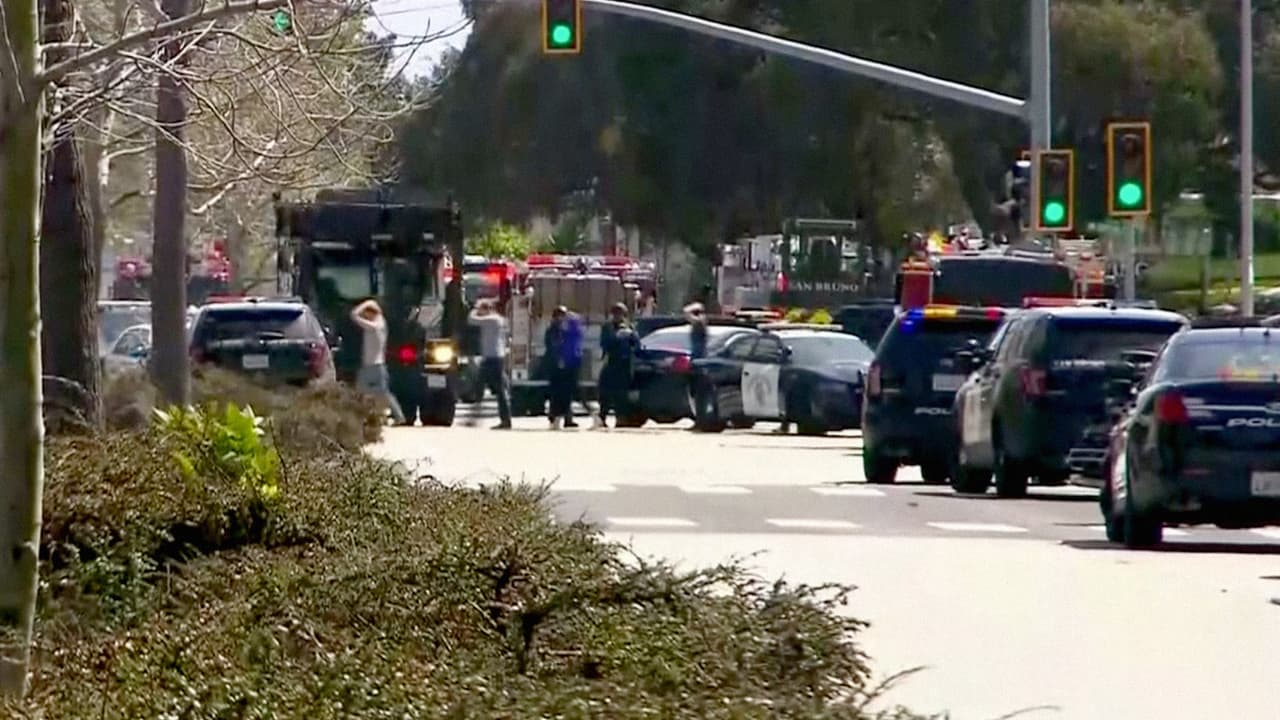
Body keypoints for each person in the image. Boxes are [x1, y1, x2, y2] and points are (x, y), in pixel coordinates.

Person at [350, 298, 406, 425]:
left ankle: (359, 418)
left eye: (366, 314)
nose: (364, 317)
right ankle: (396, 416)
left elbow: (353, 315)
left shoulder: (374, 326)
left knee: (364, 393)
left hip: (373, 366)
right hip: (376, 366)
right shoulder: (381, 324)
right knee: (380, 393)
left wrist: (367, 303)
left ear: (372, 313)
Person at [468, 299, 512, 429]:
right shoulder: (499, 320)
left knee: (497, 390)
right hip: (493, 357)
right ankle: (475, 418)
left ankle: (505, 420)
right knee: (481, 387)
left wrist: (474, 309)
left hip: (492, 359)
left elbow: (471, 320)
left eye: (481, 309)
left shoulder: (491, 319)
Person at [595, 302, 638, 429]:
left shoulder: (629, 327)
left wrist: (630, 335)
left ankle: (621, 418)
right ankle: (602, 417)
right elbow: (604, 344)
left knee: (622, 394)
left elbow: (636, 344)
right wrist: (616, 337)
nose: (618, 317)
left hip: (624, 364)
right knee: (605, 392)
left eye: (621, 314)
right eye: (616, 314)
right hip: (611, 362)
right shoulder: (607, 327)